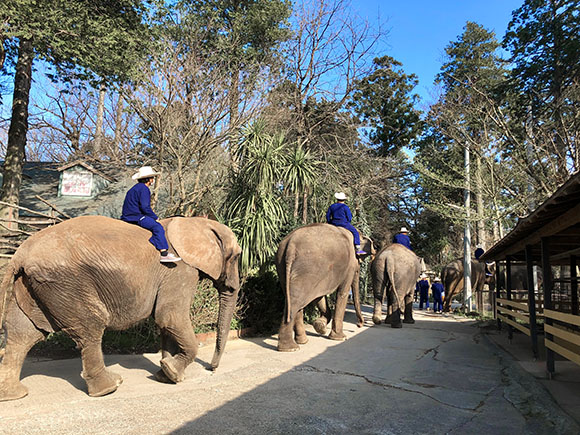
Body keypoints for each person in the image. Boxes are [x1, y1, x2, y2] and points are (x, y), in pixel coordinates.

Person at [121, 166, 181, 263]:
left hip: (127, 216)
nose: (153, 180)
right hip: (136, 217)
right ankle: (164, 253)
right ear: (148, 179)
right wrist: (154, 217)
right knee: (158, 227)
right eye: (152, 177)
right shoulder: (144, 189)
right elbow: (145, 207)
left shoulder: (133, 189)